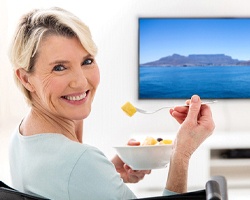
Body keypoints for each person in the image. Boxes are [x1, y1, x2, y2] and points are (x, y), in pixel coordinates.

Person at [8, 7, 215, 200]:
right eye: (60, 68)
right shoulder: (81, 161)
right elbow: (75, 168)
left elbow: (66, 182)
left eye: (87, 61)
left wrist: (106, 174)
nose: (81, 82)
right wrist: (181, 154)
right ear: (26, 79)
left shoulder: (20, 136)